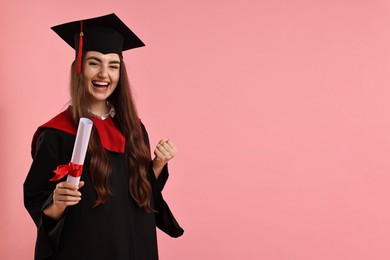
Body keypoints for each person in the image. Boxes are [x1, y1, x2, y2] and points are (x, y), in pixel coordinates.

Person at [23, 13, 184, 260]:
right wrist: (56, 202)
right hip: (84, 248)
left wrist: (158, 165)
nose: (104, 74)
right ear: (79, 68)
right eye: (94, 63)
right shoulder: (57, 134)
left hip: (135, 245)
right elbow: (37, 201)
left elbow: (142, 195)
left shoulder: (134, 129)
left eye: (113, 65)